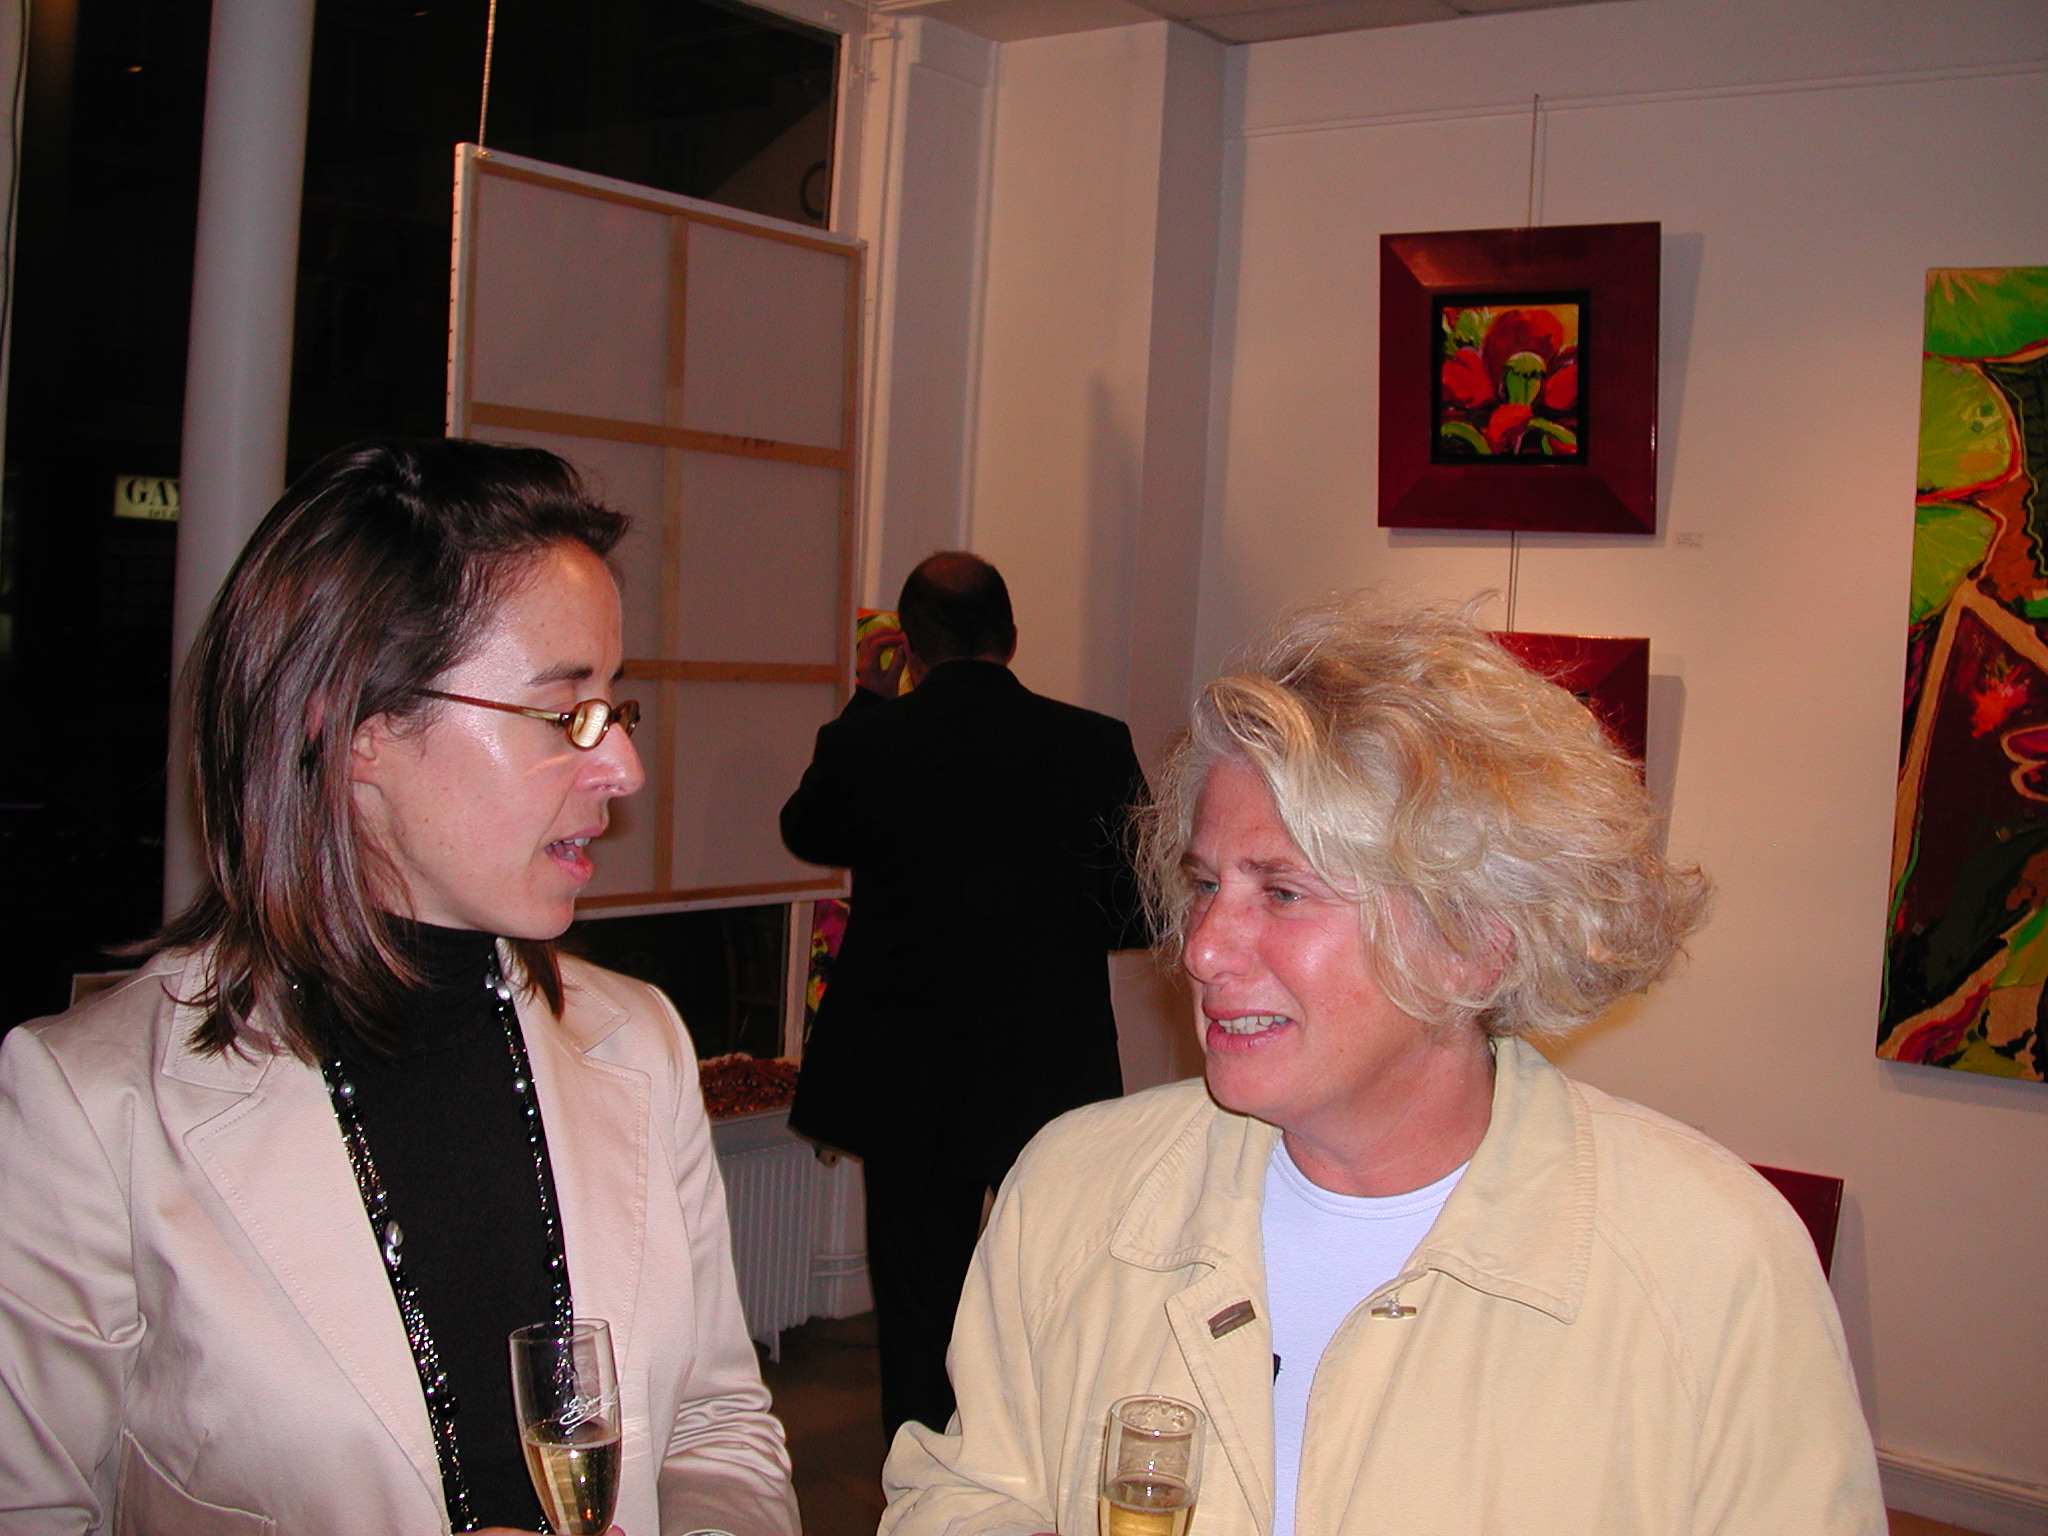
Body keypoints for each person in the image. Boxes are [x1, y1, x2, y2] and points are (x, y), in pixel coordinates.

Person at [881, 596, 1888, 1536]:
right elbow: (965, 1492)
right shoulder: (1078, 1193)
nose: (1202, 950)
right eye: (1205, 884)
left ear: (1474, 942)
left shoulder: (1707, 1264)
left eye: (1281, 892)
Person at [0, 440, 800, 1536]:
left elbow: (714, 1425)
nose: (623, 768)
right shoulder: (95, 1108)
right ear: (358, 730)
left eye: (617, 709)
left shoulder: (636, 1039)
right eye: (565, 712)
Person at [780, 552, 1151, 1439]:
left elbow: (809, 831)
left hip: (907, 1073)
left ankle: (920, 1485)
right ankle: (1036, 1471)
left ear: (908, 646)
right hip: (1047, 1066)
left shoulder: (870, 740)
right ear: (1011, 638)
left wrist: (870, 697)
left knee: (917, 1312)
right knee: (1049, 1302)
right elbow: (1137, 912)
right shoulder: (1093, 744)